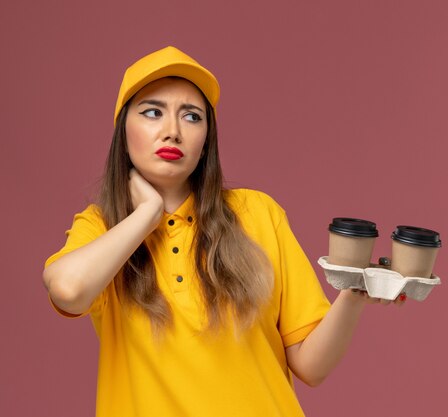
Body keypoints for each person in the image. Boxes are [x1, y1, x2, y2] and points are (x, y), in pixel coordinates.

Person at [43, 46, 405, 417]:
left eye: (192, 117)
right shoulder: (101, 228)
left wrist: (354, 294)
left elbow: (312, 367)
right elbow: (68, 291)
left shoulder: (258, 213)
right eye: (152, 112)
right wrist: (146, 215)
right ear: (123, 132)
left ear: (205, 142)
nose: (173, 131)